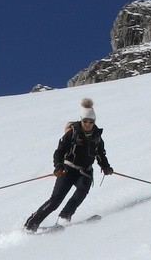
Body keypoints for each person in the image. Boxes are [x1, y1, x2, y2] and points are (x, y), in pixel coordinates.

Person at [24, 98, 114, 231]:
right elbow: (59, 152)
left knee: (82, 190)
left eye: (91, 121)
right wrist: (58, 166)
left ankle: (65, 216)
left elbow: (101, 155)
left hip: (85, 172)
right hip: (67, 170)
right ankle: (31, 224)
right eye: (85, 121)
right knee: (55, 200)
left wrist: (106, 167)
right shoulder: (72, 133)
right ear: (81, 120)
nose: (88, 124)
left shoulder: (97, 138)